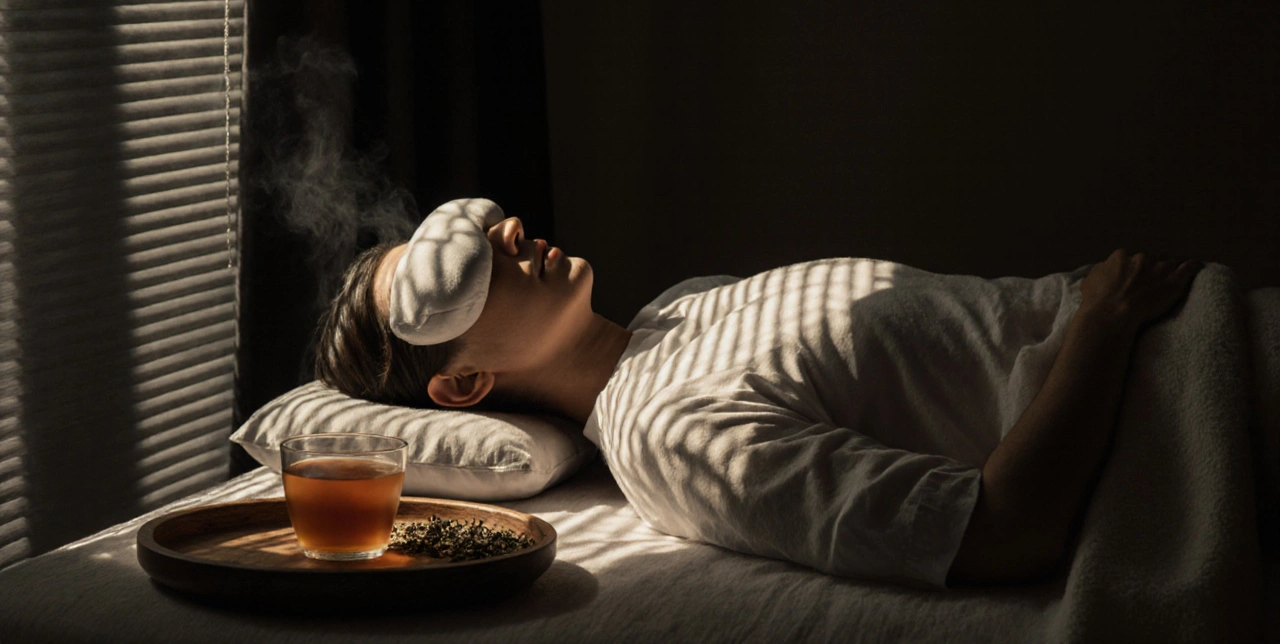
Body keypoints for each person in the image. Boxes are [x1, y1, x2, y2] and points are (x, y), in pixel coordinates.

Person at [313, 213, 1205, 589]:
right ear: (463, 384)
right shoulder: (670, 434)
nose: (504, 230)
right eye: (459, 269)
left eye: (471, 227)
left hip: (1195, 329)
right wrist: (1105, 322)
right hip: (1185, 403)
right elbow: (1001, 532)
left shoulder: (683, 305)